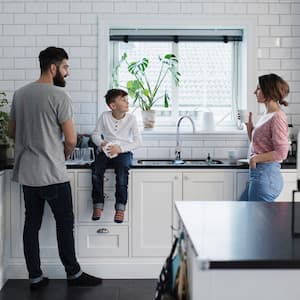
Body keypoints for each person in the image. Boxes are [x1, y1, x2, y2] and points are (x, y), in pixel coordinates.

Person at [8, 47, 102, 290]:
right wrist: (60, 154)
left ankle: (35, 277)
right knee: (64, 222)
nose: (67, 72)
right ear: (53, 67)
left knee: (32, 224)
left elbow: (11, 132)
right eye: (65, 67)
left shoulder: (20, 94)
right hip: (52, 173)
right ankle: (73, 273)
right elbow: (71, 139)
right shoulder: (60, 96)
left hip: (28, 174)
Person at [91, 88, 141, 223]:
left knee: (122, 172)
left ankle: (120, 207)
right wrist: (101, 143)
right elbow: (95, 134)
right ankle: (98, 204)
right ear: (113, 106)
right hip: (106, 150)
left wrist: (120, 148)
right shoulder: (104, 116)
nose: (127, 102)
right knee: (96, 170)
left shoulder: (131, 119)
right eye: (123, 100)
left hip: (123, 152)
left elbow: (137, 141)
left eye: (127, 100)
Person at [239, 73, 289, 202]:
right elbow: (259, 146)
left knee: (255, 219)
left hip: (266, 176)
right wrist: (249, 128)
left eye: (258, 88)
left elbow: (282, 153)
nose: (254, 91)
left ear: (268, 91)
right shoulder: (267, 114)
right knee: (244, 213)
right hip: (259, 175)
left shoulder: (277, 117)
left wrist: (255, 159)